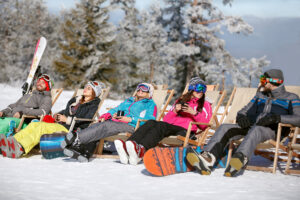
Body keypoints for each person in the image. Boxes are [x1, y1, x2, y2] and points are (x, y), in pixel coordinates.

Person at [186, 69, 300, 177]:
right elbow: (244, 110)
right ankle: (208, 158)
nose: (261, 83)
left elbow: (298, 118)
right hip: (251, 127)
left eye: (264, 80)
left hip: (272, 130)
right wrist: (241, 116)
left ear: (274, 81)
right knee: (225, 127)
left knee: (257, 130)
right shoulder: (260, 96)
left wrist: (277, 118)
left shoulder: (291, 98)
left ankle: (240, 158)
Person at [114, 77, 213, 165]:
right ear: (191, 89)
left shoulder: (205, 104)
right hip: (171, 128)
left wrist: (194, 113)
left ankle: (141, 150)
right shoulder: (181, 100)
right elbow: (166, 120)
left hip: (186, 131)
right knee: (151, 122)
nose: (201, 91)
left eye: (203, 89)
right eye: (198, 88)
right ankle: (129, 146)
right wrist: (174, 111)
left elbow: (205, 125)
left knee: (161, 126)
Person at [0, 81, 102, 158]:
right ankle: (12, 142)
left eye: (89, 88)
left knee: (42, 127)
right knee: (35, 125)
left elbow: (86, 120)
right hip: (62, 124)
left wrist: (66, 119)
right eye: (85, 87)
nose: (85, 89)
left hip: (71, 130)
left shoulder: (93, 104)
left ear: (94, 92)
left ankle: (20, 148)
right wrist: (58, 115)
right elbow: (66, 111)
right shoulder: (77, 100)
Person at [61, 83, 157, 162]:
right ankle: (85, 152)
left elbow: (150, 120)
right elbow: (117, 109)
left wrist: (130, 119)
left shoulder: (150, 104)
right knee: (97, 125)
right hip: (118, 122)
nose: (140, 91)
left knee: (106, 126)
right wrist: (108, 115)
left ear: (149, 92)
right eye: (138, 89)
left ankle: (77, 138)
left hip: (132, 126)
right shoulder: (129, 100)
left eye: (144, 89)